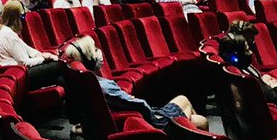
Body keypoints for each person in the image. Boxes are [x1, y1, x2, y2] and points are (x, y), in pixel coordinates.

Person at [63, 35, 208, 130]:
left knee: (200, 121)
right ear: (89, 59)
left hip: (145, 118)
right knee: (183, 99)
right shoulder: (103, 87)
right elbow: (141, 106)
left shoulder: (89, 83)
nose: (99, 51)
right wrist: (132, 99)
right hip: (153, 122)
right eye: (95, 50)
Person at [0, 0, 63, 88]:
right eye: (22, 16)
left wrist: (40, 55)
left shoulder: (8, 31)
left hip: (22, 71)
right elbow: (25, 62)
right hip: (19, 74)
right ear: (16, 17)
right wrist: (43, 58)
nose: (23, 19)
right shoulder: (8, 34)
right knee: (59, 65)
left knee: (61, 77)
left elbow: (28, 49)